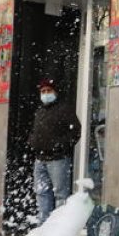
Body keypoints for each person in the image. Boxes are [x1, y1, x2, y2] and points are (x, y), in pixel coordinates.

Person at [29, 78, 81, 224]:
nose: (45, 94)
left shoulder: (64, 109)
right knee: (41, 193)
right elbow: (35, 131)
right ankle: (43, 227)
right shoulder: (40, 111)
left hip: (58, 159)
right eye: (43, 91)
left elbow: (75, 131)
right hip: (40, 159)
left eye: (48, 91)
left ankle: (58, 229)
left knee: (60, 194)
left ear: (55, 92)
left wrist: (60, 146)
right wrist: (32, 141)